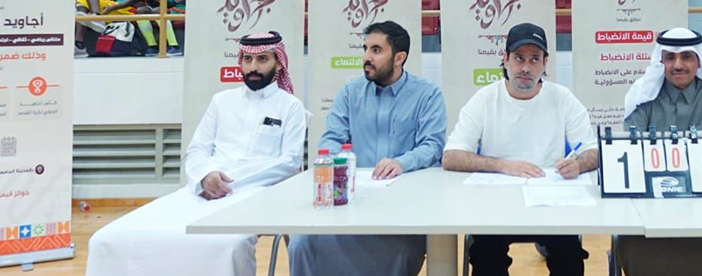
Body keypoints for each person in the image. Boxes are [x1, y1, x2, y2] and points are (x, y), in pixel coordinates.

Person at [86, 31, 306, 276]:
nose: (253, 67)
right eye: (247, 60)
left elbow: (289, 163)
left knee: (227, 244)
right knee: (109, 238)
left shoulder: (291, 106)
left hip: (256, 191)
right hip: (202, 190)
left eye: (262, 59)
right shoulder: (222, 101)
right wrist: (206, 176)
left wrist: (228, 182)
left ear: (278, 63)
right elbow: (197, 149)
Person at [288, 21, 446, 276]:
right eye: (365, 49)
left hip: (403, 205)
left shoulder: (427, 95)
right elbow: (331, 139)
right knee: (302, 241)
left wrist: (401, 162)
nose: (366, 57)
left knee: (402, 250)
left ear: (399, 58)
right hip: (351, 199)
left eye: (376, 50)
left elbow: (432, 146)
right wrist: (338, 164)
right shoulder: (350, 92)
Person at [442, 22, 599, 276]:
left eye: (534, 59)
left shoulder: (562, 98)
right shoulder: (485, 98)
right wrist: (503, 165)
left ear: (545, 63)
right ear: (505, 59)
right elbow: (451, 156)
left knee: (569, 256)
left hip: (551, 206)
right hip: (496, 207)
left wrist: (579, 164)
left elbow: (594, 151)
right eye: (519, 58)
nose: (526, 67)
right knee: (486, 257)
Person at [617, 28, 702, 276]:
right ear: (661, 61)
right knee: (642, 261)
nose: (678, 65)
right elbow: (634, 155)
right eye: (670, 57)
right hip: (652, 209)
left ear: (699, 61)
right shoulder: (643, 96)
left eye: (687, 57)